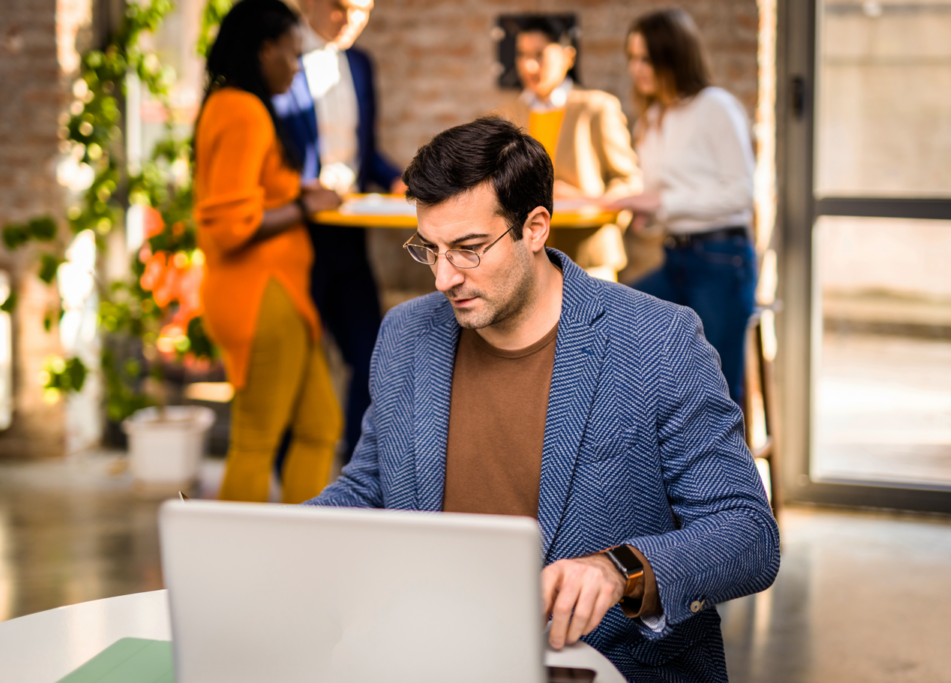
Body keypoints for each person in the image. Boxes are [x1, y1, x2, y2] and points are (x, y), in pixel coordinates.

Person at [308, 116, 779, 682]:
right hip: (441, 660)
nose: (443, 278)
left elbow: (746, 531)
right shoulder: (407, 334)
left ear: (535, 228)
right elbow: (371, 486)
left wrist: (620, 571)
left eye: (468, 249)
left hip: (609, 667)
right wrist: (286, 542)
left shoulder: (658, 340)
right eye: (429, 249)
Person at [193, 0, 343, 503]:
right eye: (292, 54)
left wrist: (300, 196)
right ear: (264, 51)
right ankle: (237, 571)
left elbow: (251, 195)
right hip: (260, 294)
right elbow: (234, 223)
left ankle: (304, 549)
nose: (297, 67)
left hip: (277, 294)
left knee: (321, 424)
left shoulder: (231, 105)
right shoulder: (242, 110)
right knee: (256, 439)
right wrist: (305, 208)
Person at [606, 9, 757, 407]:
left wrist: (660, 203)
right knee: (611, 324)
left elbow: (740, 194)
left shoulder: (715, 107)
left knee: (717, 391)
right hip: (676, 257)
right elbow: (666, 201)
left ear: (675, 56)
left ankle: (723, 471)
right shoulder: (652, 119)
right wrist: (648, 214)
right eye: (633, 58)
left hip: (722, 261)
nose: (638, 69)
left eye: (648, 58)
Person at [273, 0, 403, 464]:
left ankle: (356, 464)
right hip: (294, 231)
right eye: (341, 7)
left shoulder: (361, 64)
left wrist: (395, 178)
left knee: (369, 350)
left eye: (364, 10)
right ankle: (286, 472)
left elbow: (363, 152)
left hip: (350, 230)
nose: (352, 20)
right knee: (298, 358)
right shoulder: (279, 60)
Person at [505, 16, 642, 282]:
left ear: (568, 57)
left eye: (539, 54)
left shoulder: (597, 108)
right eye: (522, 55)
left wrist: (587, 200)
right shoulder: (509, 114)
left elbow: (628, 181)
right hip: (529, 265)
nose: (528, 65)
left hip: (588, 260)